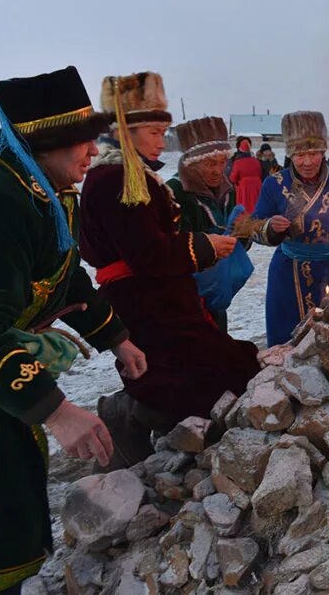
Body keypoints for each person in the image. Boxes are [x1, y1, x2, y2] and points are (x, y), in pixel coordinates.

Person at [0, 66, 147, 592]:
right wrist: (57, 411)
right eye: (81, 142)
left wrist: (116, 337)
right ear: (43, 143)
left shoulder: (44, 191)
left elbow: (64, 278)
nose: (93, 152)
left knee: (6, 502)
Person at [80, 72, 259, 469]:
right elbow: (146, 253)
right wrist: (203, 245)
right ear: (126, 131)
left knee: (209, 369)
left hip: (159, 296)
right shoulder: (117, 180)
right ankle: (126, 414)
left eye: (164, 131)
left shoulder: (129, 175)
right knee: (210, 375)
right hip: (146, 302)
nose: (163, 141)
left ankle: (164, 432)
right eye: (155, 132)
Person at [252, 111, 329, 346]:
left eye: (313, 153)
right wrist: (270, 227)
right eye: (300, 155)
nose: (307, 162)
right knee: (289, 344)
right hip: (288, 273)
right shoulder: (274, 184)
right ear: (290, 154)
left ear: (323, 151)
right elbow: (254, 226)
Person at [166, 116, 240, 331]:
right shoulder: (174, 192)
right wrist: (212, 242)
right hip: (186, 295)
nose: (219, 170)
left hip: (216, 291)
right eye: (210, 163)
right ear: (192, 163)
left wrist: (242, 233)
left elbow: (237, 244)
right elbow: (172, 247)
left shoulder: (227, 190)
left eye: (223, 162)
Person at [229, 135, 264, 212]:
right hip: (257, 185)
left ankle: (246, 221)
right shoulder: (256, 161)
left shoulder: (237, 162)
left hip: (244, 187)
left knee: (245, 206)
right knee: (256, 204)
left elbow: (233, 178)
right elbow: (260, 173)